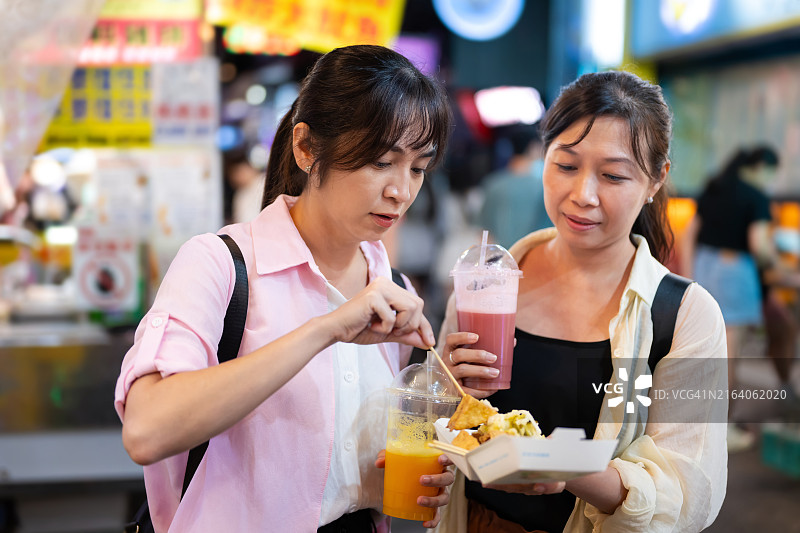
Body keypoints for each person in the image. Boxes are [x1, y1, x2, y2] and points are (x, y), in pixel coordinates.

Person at [115, 44, 454, 532]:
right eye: (381, 162)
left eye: (418, 168)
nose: (401, 190)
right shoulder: (222, 264)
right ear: (307, 147)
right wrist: (325, 330)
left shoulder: (391, 289)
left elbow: (341, 473)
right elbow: (146, 432)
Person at [435, 71, 727, 532]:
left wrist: (566, 468)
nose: (582, 195)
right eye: (566, 166)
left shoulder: (684, 315)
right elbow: (444, 432)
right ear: (543, 155)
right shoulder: (487, 285)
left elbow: (685, 494)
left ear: (656, 180)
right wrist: (449, 392)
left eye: (613, 175)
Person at [680, 146, 789, 449]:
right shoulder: (756, 197)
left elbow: (688, 234)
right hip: (735, 272)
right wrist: (776, 265)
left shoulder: (714, 187)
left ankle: (699, 424)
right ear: (760, 168)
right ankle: (721, 428)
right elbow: (759, 245)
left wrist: (690, 277)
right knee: (728, 352)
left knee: (702, 348)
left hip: (703, 266)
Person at [478, 124, 551, 249]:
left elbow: (485, 233)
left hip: (501, 261)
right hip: (535, 257)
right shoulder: (544, 187)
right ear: (533, 148)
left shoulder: (492, 183)